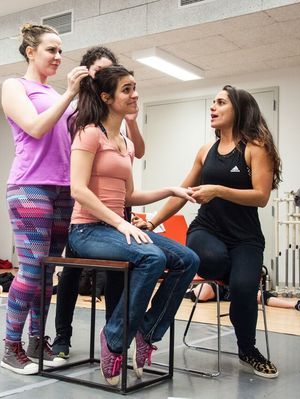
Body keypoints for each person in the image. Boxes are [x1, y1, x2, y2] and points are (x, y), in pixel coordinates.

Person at [137, 85, 283, 379]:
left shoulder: (256, 148)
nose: (213, 108)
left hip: (246, 238)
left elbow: (261, 197)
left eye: (220, 103)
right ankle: (241, 280)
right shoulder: (206, 151)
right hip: (207, 231)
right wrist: (152, 223)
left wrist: (218, 190)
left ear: (238, 110)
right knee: (214, 262)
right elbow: (183, 193)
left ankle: (248, 350)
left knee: (243, 287)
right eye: (213, 102)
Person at [68, 65, 199, 386]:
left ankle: (147, 332)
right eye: (126, 89)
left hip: (115, 228)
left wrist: (170, 190)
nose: (134, 94)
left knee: (188, 260)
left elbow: (129, 195)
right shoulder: (88, 133)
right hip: (86, 231)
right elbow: (78, 190)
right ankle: (114, 339)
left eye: (134, 87)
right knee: (152, 257)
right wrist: (119, 222)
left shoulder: (124, 142)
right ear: (106, 97)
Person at [0, 22, 89, 375]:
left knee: (47, 271)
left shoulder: (56, 95)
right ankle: (11, 346)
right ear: (30, 51)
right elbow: (36, 128)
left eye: (60, 50)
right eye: (51, 49)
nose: (58, 56)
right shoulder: (14, 86)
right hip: (29, 187)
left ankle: (38, 339)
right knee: (33, 268)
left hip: (63, 189)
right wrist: (69, 95)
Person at [52, 46, 146, 359]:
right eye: (99, 72)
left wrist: (130, 119)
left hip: (117, 204)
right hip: (86, 202)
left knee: (120, 272)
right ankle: (62, 337)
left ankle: (113, 341)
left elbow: (139, 151)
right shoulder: (81, 116)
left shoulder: (118, 112)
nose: (105, 75)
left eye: (111, 69)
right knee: (72, 272)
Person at [185, 284, 300, 312]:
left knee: (260, 295)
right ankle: (189, 291)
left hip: (234, 282)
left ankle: (298, 304)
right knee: (202, 294)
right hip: (216, 286)